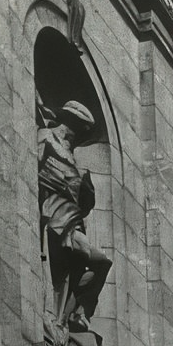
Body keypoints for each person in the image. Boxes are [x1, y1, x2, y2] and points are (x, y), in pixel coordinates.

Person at [37, 98, 111, 332]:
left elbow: (78, 191)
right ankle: (62, 316)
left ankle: (77, 314)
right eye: (77, 129)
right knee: (82, 257)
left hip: (72, 220)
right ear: (68, 122)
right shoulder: (45, 136)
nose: (77, 136)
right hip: (56, 216)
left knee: (101, 262)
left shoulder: (70, 153)